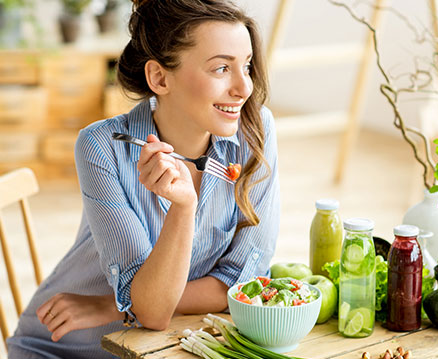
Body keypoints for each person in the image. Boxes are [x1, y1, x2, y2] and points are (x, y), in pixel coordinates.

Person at [7, 0, 279, 357]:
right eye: (220, 69)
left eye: (245, 66)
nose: (243, 89)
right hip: (64, 347)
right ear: (159, 78)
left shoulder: (255, 132)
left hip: (160, 346)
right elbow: (152, 311)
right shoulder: (103, 146)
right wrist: (183, 207)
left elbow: (244, 282)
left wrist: (116, 305)